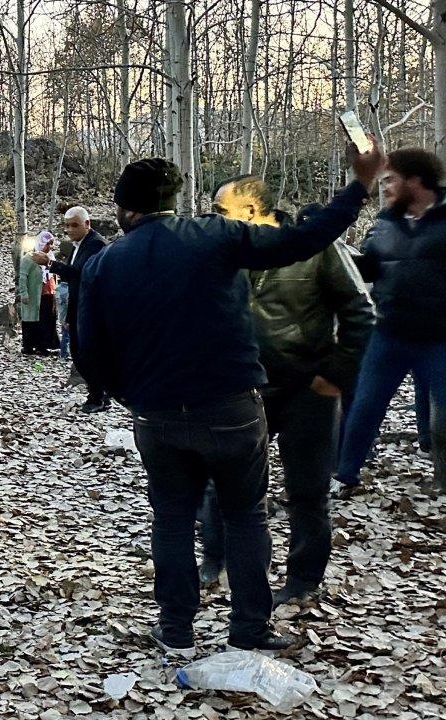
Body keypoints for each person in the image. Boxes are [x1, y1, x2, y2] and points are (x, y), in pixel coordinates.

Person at [78, 141, 382, 657]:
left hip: (157, 412)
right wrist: (358, 187)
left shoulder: (106, 263)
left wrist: (130, 394)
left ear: (126, 209)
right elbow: (302, 241)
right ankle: (249, 629)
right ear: (174, 199)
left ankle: (176, 628)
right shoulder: (215, 236)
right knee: (246, 515)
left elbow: (88, 349)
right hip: (234, 406)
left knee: (172, 518)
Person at [197, 175, 374, 607]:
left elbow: (361, 312)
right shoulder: (223, 250)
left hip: (306, 388)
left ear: (252, 211)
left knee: (308, 490)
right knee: (222, 483)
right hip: (241, 387)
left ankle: (302, 580)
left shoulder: (316, 249)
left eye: (221, 211)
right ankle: (213, 560)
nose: (212, 219)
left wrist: (335, 373)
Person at [335, 147, 446, 494]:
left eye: (390, 180)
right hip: (388, 334)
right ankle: (346, 477)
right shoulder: (384, 222)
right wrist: (338, 253)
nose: (384, 188)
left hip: (439, 338)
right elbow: (368, 267)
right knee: (364, 407)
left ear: (415, 181)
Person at [34, 206, 109, 412]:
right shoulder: (79, 245)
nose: (69, 229)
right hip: (78, 305)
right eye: (66, 225)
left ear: (87, 224)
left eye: (74, 225)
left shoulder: (95, 244)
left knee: (86, 353)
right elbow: (72, 276)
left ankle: (98, 397)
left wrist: (50, 264)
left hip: (92, 308)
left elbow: (81, 274)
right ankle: (98, 395)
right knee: (79, 352)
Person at [15, 232, 53, 355]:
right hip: (33, 296)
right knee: (30, 321)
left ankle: (42, 346)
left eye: (51, 244)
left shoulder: (50, 259)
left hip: (46, 295)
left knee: (44, 321)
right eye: (48, 244)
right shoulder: (29, 258)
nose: (50, 247)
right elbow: (23, 277)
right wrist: (24, 293)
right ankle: (28, 346)